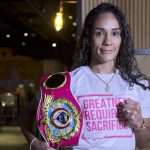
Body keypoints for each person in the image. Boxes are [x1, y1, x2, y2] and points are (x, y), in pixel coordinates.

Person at [20, 2, 150, 150]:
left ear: (122, 39)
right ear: (89, 38)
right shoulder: (69, 82)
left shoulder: (138, 84)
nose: (108, 41)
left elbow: (143, 143)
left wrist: (139, 123)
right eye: (99, 33)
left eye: (115, 33)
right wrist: (34, 143)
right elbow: (27, 112)